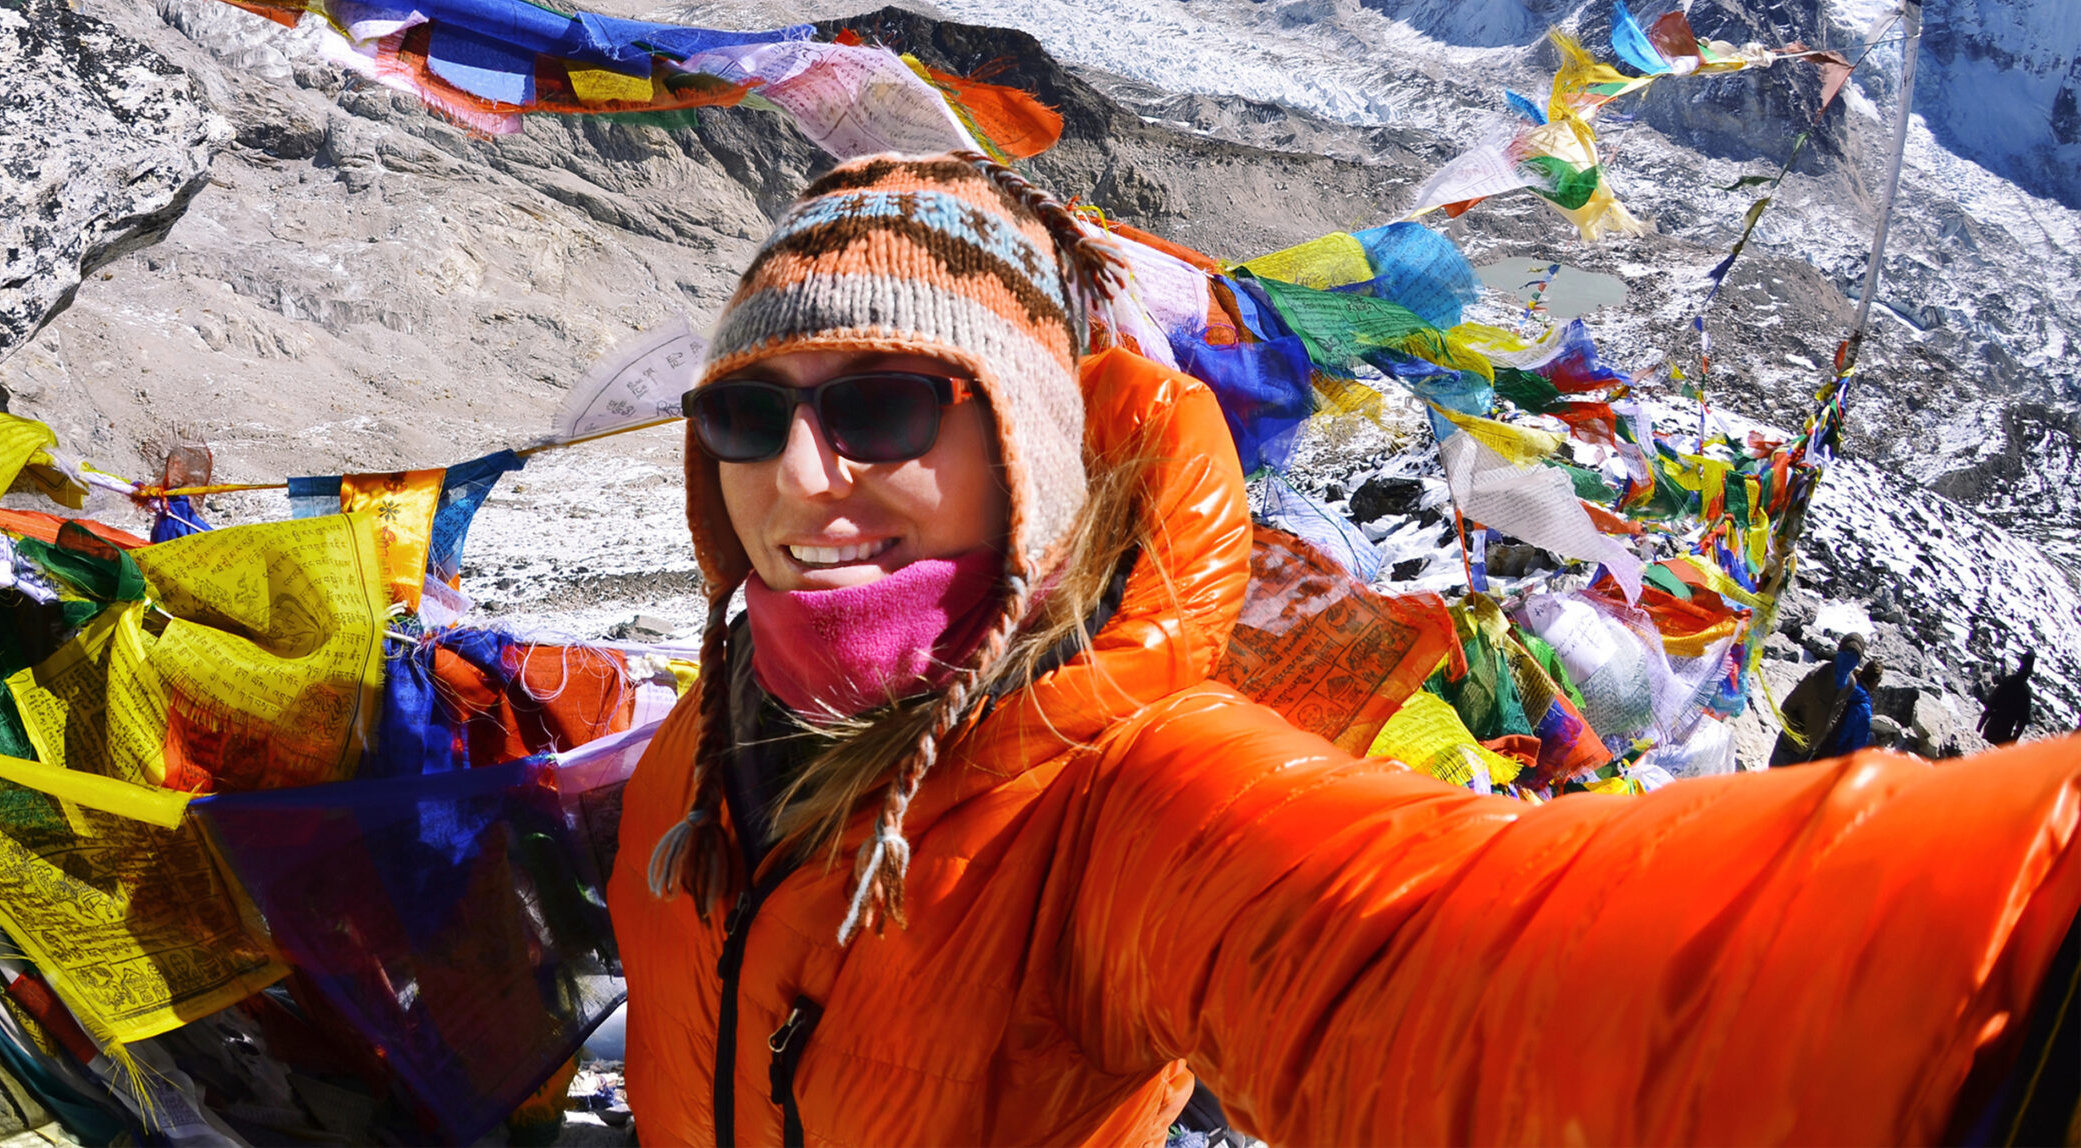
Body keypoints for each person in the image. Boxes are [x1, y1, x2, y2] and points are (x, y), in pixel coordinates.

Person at [611, 154, 2081, 1146]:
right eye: (749, 416)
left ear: (1032, 451)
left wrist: (2020, 934)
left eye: (880, 407)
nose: (802, 479)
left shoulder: (1114, 795)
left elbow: (1457, 967)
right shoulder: (705, 742)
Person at [1770, 630, 1870, 766]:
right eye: (1847, 653)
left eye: (1854, 656)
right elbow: (1787, 707)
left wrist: (1825, 732)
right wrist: (1798, 736)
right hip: (1789, 747)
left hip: (1810, 750)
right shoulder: (1816, 678)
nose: (1849, 659)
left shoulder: (1850, 684)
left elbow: (1837, 710)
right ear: (1839, 653)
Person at [1808, 648, 1881, 762]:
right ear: (1874, 682)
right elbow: (1858, 746)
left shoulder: (1846, 685)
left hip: (1819, 739)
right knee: (1871, 738)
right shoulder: (1863, 707)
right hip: (1835, 753)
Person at [1982, 650, 2038, 747]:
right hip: (2004, 735)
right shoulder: (2025, 692)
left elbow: (1991, 703)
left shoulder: (2009, 681)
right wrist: (2014, 739)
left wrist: (1980, 724)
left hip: (1992, 727)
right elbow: (2023, 721)